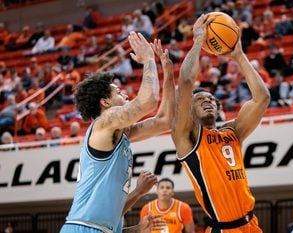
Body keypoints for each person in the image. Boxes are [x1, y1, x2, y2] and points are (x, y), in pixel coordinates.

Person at [60, 32, 175, 233]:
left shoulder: (120, 133)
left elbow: (164, 121)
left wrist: (168, 73)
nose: (124, 93)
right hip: (82, 228)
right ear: (105, 102)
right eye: (117, 92)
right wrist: (148, 59)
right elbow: (147, 102)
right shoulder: (105, 122)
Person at [171, 14, 270, 233]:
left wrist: (239, 55)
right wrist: (198, 41)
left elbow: (262, 98)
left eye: (211, 99)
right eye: (200, 100)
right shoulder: (186, 137)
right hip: (223, 229)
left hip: (252, 226)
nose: (207, 101)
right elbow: (186, 82)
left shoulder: (233, 131)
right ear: (190, 110)